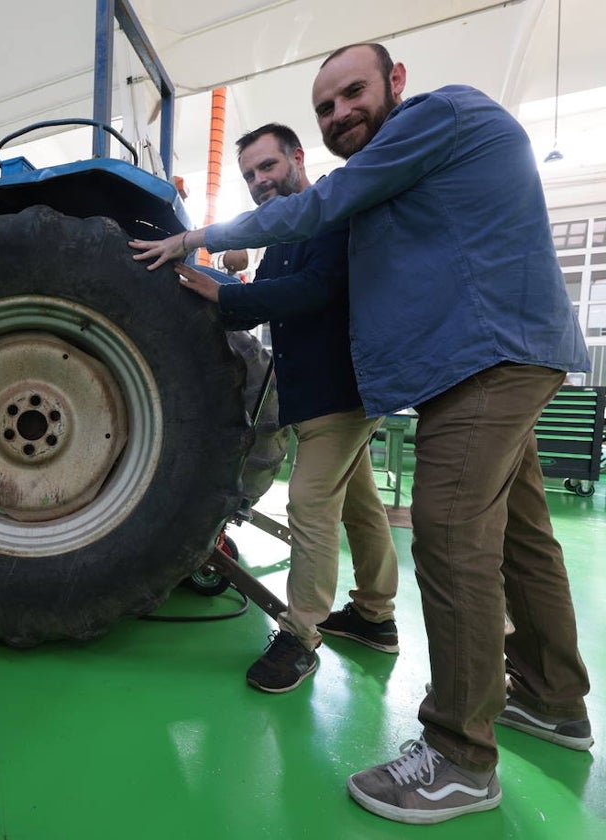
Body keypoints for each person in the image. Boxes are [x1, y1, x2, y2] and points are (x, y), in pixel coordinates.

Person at [131, 44, 593, 825]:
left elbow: (316, 223)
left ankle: (458, 758)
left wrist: (192, 238)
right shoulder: (402, 176)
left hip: (484, 358)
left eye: (353, 93)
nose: (342, 111)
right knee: (522, 536)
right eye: (327, 105)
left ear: (395, 83)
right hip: (489, 354)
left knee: (448, 539)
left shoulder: (431, 118)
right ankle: (552, 700)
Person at [176, 123, 399, 694]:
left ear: (298, 158)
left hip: (341, 393)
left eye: (268, 166)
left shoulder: (330, 214)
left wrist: (225, 292)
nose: (259, 181)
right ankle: (376, 616)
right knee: (360, 505)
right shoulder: (283, 237)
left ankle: (301, 638)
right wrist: (202, 287)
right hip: (315, 395)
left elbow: (314, 290)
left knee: (309, 502)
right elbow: (253, 310)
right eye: (250, 175)